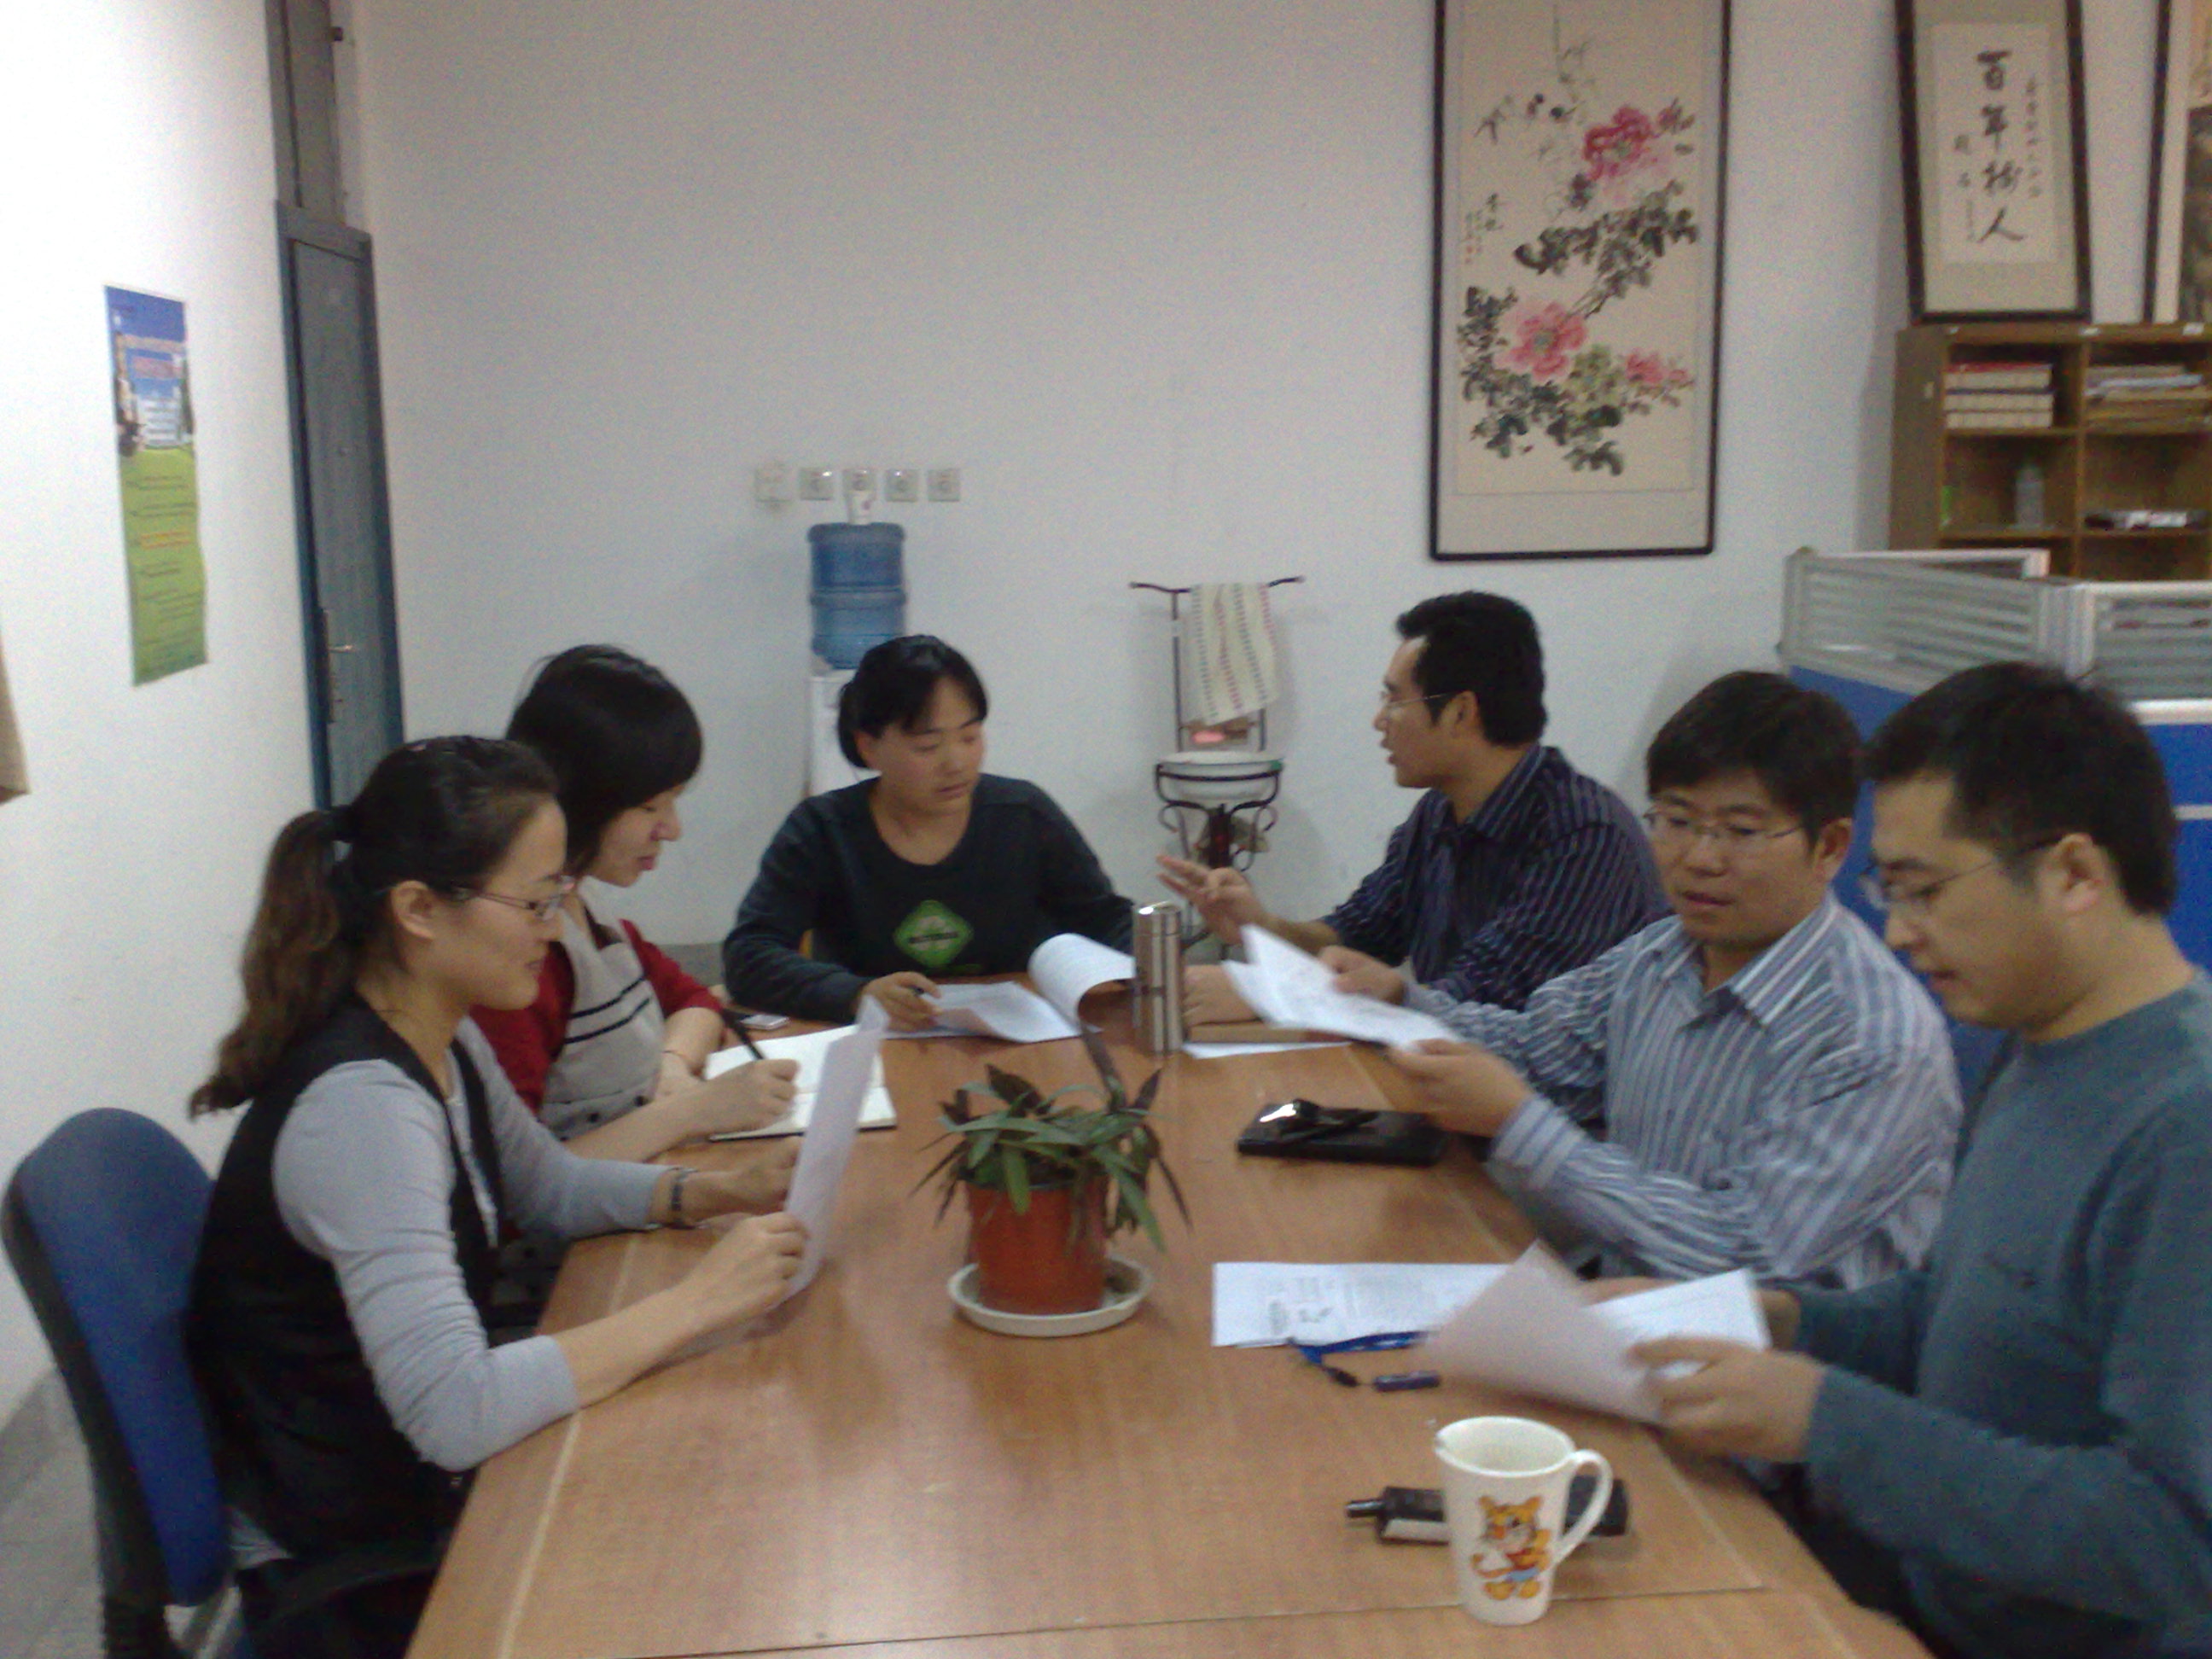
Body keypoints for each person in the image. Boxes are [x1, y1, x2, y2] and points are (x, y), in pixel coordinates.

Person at [1621, 664, 2212, 1659]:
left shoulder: (2184, 1128)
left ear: (2074, 874)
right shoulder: (2036, 1045)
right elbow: (1953, 1314)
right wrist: (1768, 1318)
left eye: (1924, 890)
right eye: (1888, 891)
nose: (1896, 932)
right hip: (1919, 1586)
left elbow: (2178, 1541)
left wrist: (1826, 1423)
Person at [188, 737, 806, 1659]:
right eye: (535, 902)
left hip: (409, 1486)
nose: (554, 930)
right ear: (418, 910)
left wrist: (713, 1191)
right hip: (358, 1558)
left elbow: (550, 1186)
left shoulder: (438, 1027)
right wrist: (698, 1303)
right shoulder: (362, 1110)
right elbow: (454, 1410)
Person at [1368, 671, 1961, 1289]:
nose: (1700, 859)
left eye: (1741, 831)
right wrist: (1400, 1001)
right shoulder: (1662, 953)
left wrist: (1522, 1127)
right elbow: (1541, 1052)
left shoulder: (1871, 1039)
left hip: (1757, 1345)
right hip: (1624, 1309)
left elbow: (1748, 1259)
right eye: (1676, 820)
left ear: (1830, 848)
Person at [1166, 592, 1664, 1024]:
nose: (1379, 721)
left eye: (1394, 700)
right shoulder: (1438, 813)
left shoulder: (1583, 835)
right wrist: (1262, 926)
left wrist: (1268, 995)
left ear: (1461, 712)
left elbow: (1481, 1006)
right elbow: (1359, 935)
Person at [474, 645, 796, 1156]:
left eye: (673, 802)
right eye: (650, 807)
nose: (672, 829)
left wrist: (671, 1065)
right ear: (581, 800)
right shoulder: (520, 960)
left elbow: (694, 1000)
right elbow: (522, 1179)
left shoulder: (589, 909)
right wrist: (691, 1112)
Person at [723, 635, 1133, 1027]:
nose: (956, 763)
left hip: (1016, 1042)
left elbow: (1107, 920)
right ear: (868, 747)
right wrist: (855, 994)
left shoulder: (1022, 816)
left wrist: (1156, 962)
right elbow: (749, 955)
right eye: (927, 747)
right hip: (878, 1047)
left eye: (970, 737)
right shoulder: (823, 831)